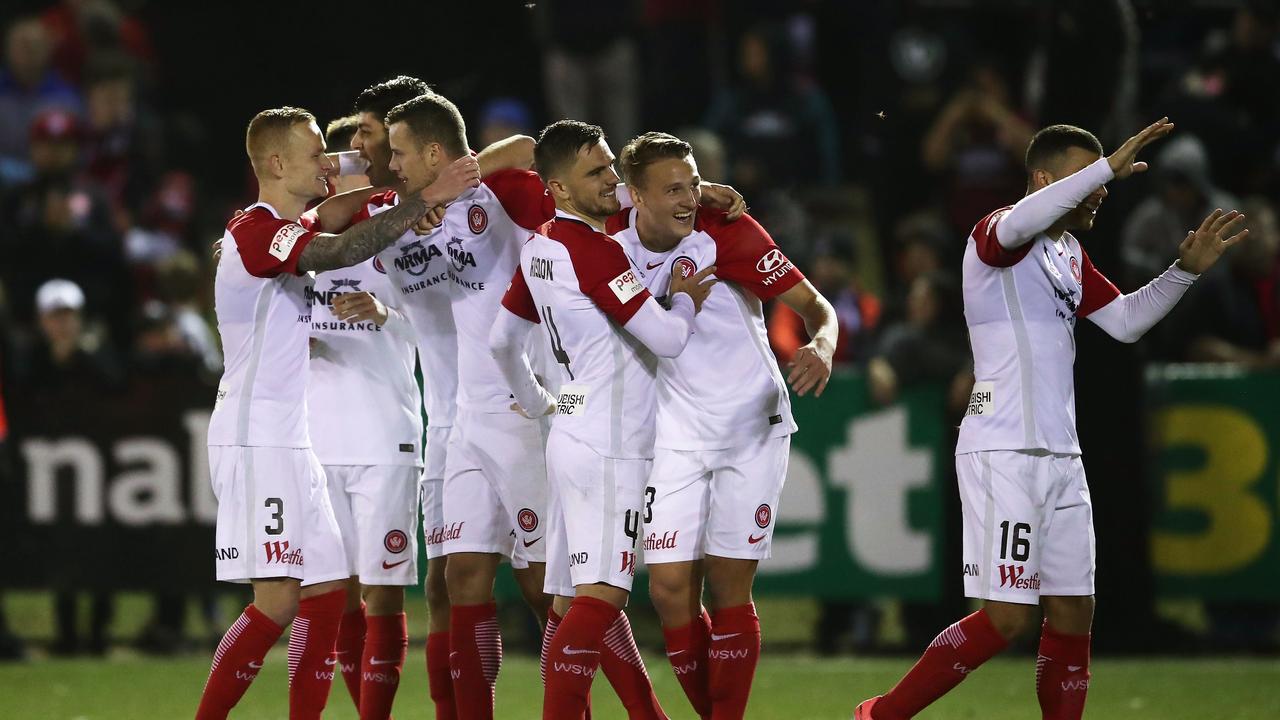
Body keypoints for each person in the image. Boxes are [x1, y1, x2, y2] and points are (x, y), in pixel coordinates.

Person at [854, 118, 1249, 720]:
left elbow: (1123, 321)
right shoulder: (996, 233)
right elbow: (1016, 224)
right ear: (1042, 180)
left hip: (1062, 455)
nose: (1099, 191)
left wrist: (1184, 271)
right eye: (1085, 178)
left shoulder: (1067, 253)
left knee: (1072, 613)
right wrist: (1107, 166)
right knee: (1007, 618)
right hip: (1003, 450)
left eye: (1103, 181)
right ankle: (879, 716)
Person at [194, 104, 477, 720]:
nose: (327, 159)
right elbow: (340, 247)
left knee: (325, 597)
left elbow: (336, 215)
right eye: (314, 148)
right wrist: (429, 194)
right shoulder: (257, 231)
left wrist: (395, 191)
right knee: (275, 603)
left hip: (293, 439)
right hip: (256, 437)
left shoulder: (280, 225)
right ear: (274, 162)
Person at [489, 119, 718, 720]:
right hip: (611, 445)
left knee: (571, 602)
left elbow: (500, 341)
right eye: (595, 173)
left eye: (611, 166)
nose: (611, 180)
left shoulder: (540, 247)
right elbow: (667, 339)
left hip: (572, 434)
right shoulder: (591, 251)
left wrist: (541, 402)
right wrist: (689, 298)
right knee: (602, 596)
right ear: (558, 189)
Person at [608, 131, 838, 719]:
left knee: (730, 587)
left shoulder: (728, 232)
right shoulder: (608, 240)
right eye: (673, 189)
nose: (688, 199)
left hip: (749, 427)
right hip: (674, 435)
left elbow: (817, 308)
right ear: (633, 195)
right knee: (666, 590)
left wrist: (823, 345)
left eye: (692, 183)